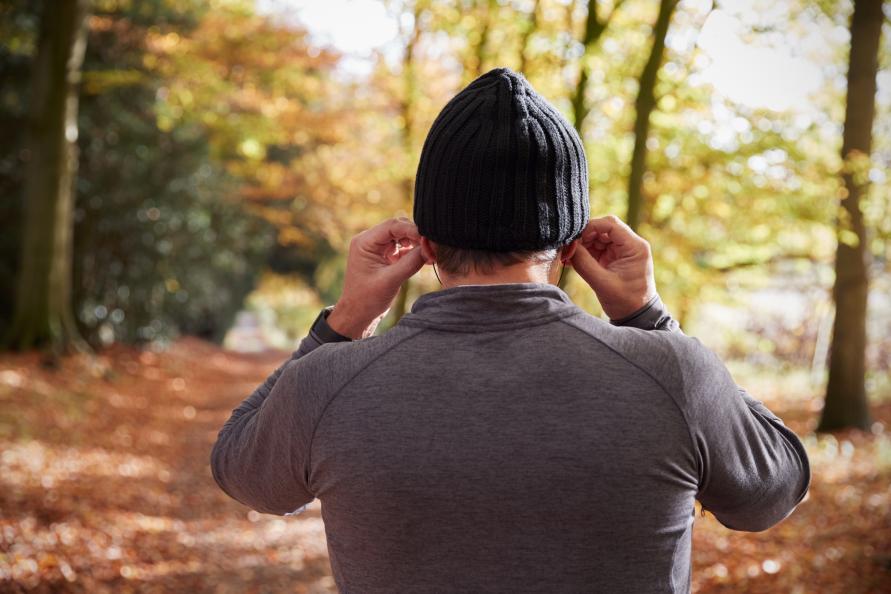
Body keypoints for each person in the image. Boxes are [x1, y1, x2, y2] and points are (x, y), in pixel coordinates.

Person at [211, 68, 810, 593]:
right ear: (572, 245)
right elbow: (771, 493)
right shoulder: (671, 374)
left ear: (423, 244)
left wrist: (344, 322)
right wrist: (648, 317)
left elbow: (242, 470)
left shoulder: (326, 384)